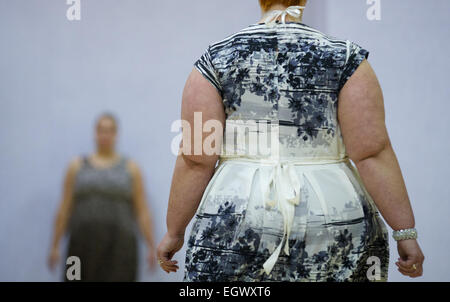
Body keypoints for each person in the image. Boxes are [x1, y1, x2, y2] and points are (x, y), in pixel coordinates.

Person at [157, 0, 424, 281]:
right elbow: (372, 153)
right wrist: (405, 231)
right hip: (333, 209)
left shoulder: (216, 59)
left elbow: (196, 158)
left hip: (237, 210)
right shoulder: (345, 57)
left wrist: (174, 231)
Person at [48, 112, 157, 281]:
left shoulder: (131, 169)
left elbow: (142, 211)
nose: (105, 135)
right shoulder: (76, 167)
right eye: (101, 130)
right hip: (81, 246)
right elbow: (64, 207)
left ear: (116, 134)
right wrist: (55, 245)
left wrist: (151, 246)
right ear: (95, 133)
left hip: (121, 247)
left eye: (110, 130)